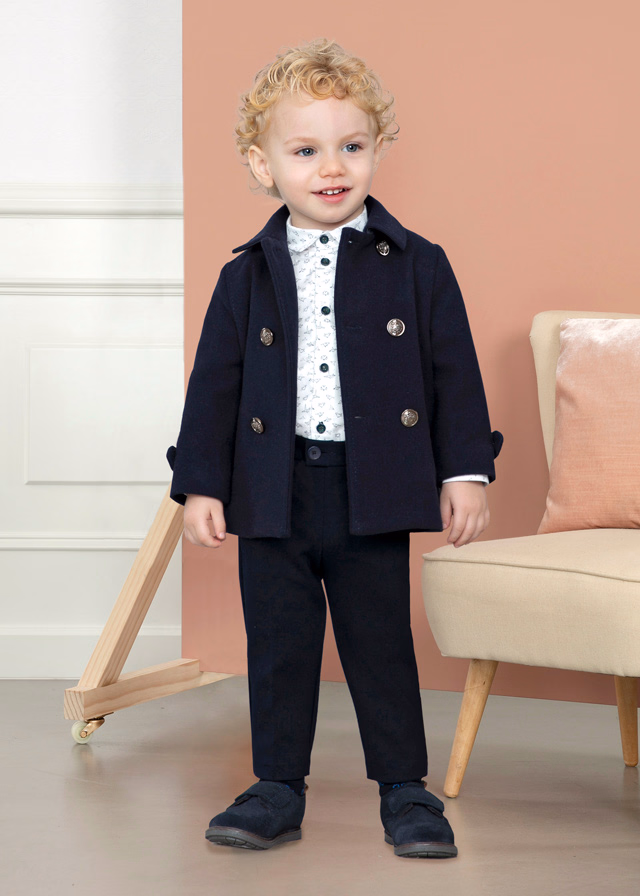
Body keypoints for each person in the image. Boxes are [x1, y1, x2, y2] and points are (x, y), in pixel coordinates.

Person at [166, 37, 503, 859]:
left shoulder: (419, 266)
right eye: (306, 150)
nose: (332, 168)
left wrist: (465, 471)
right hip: (272, 488)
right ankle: (276, 787)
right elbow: (214, 385)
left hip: (372, 485)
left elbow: (454, 373)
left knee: (380, 644)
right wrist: (203, 484)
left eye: (352, 146)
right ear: (263, 163)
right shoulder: (245, 276)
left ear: (378, 148)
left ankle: (405, 790)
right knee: (278, 645)